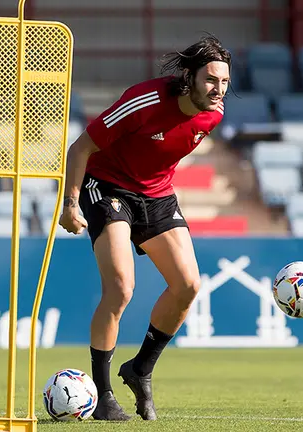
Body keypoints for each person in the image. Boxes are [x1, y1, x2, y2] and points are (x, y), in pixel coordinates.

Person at [58, 35, 230, 421]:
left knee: (188, 285)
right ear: (188, 76)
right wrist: (70, 204)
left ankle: (140, 369)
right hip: (107, 186)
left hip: (156, 195)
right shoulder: (145, 101)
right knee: (121, 288)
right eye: (210, 80)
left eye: (224, 82)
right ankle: (103, 396)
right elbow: (80, 148)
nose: (218, 90)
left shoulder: (213, 114)